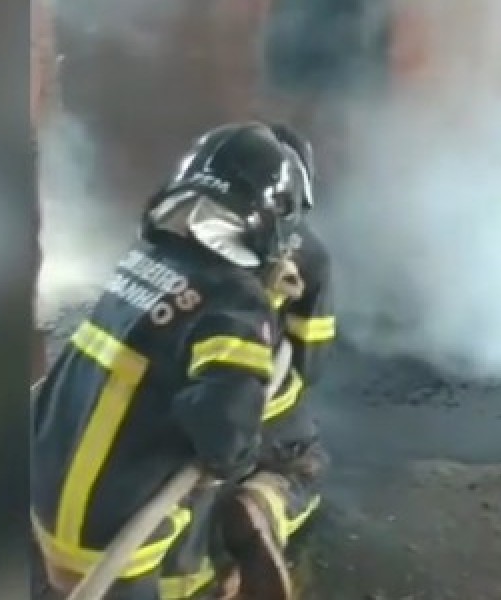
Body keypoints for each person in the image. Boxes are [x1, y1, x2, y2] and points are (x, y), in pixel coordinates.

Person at [31, 121, 335, 600]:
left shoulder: (142, 258)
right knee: (284, 470)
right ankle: (254, 516)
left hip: (38, 507)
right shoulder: (235, 306)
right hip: (119, 551)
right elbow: (224, 444)